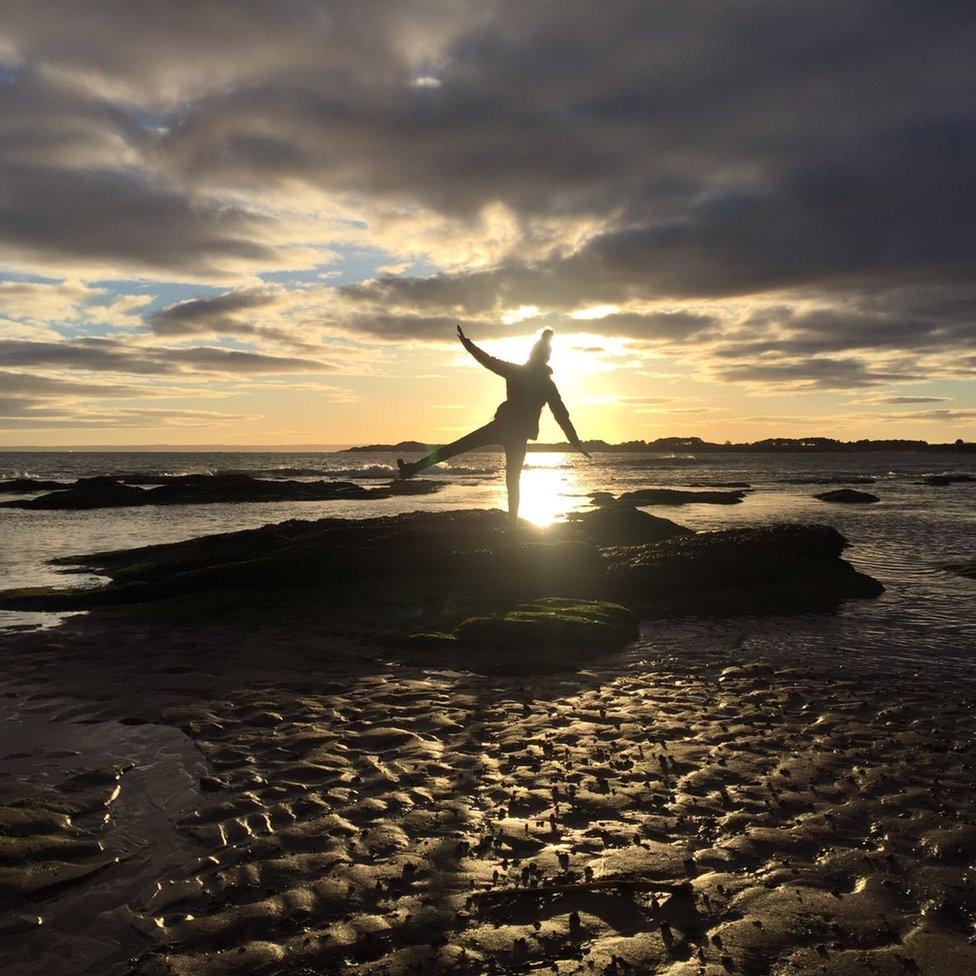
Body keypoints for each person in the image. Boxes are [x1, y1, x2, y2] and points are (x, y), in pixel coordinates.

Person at [397, 325, 590, 533]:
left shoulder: (520, 373)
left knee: (457, 448)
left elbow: (487, 360)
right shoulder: (545, 384)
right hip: (515, 432)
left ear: (533, 354)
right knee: (512, 481)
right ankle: (513, 529)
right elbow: (562, 416)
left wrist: (468, 345)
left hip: (502, 427)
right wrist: (575, 442)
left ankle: (412, 469)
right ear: (546, 359)